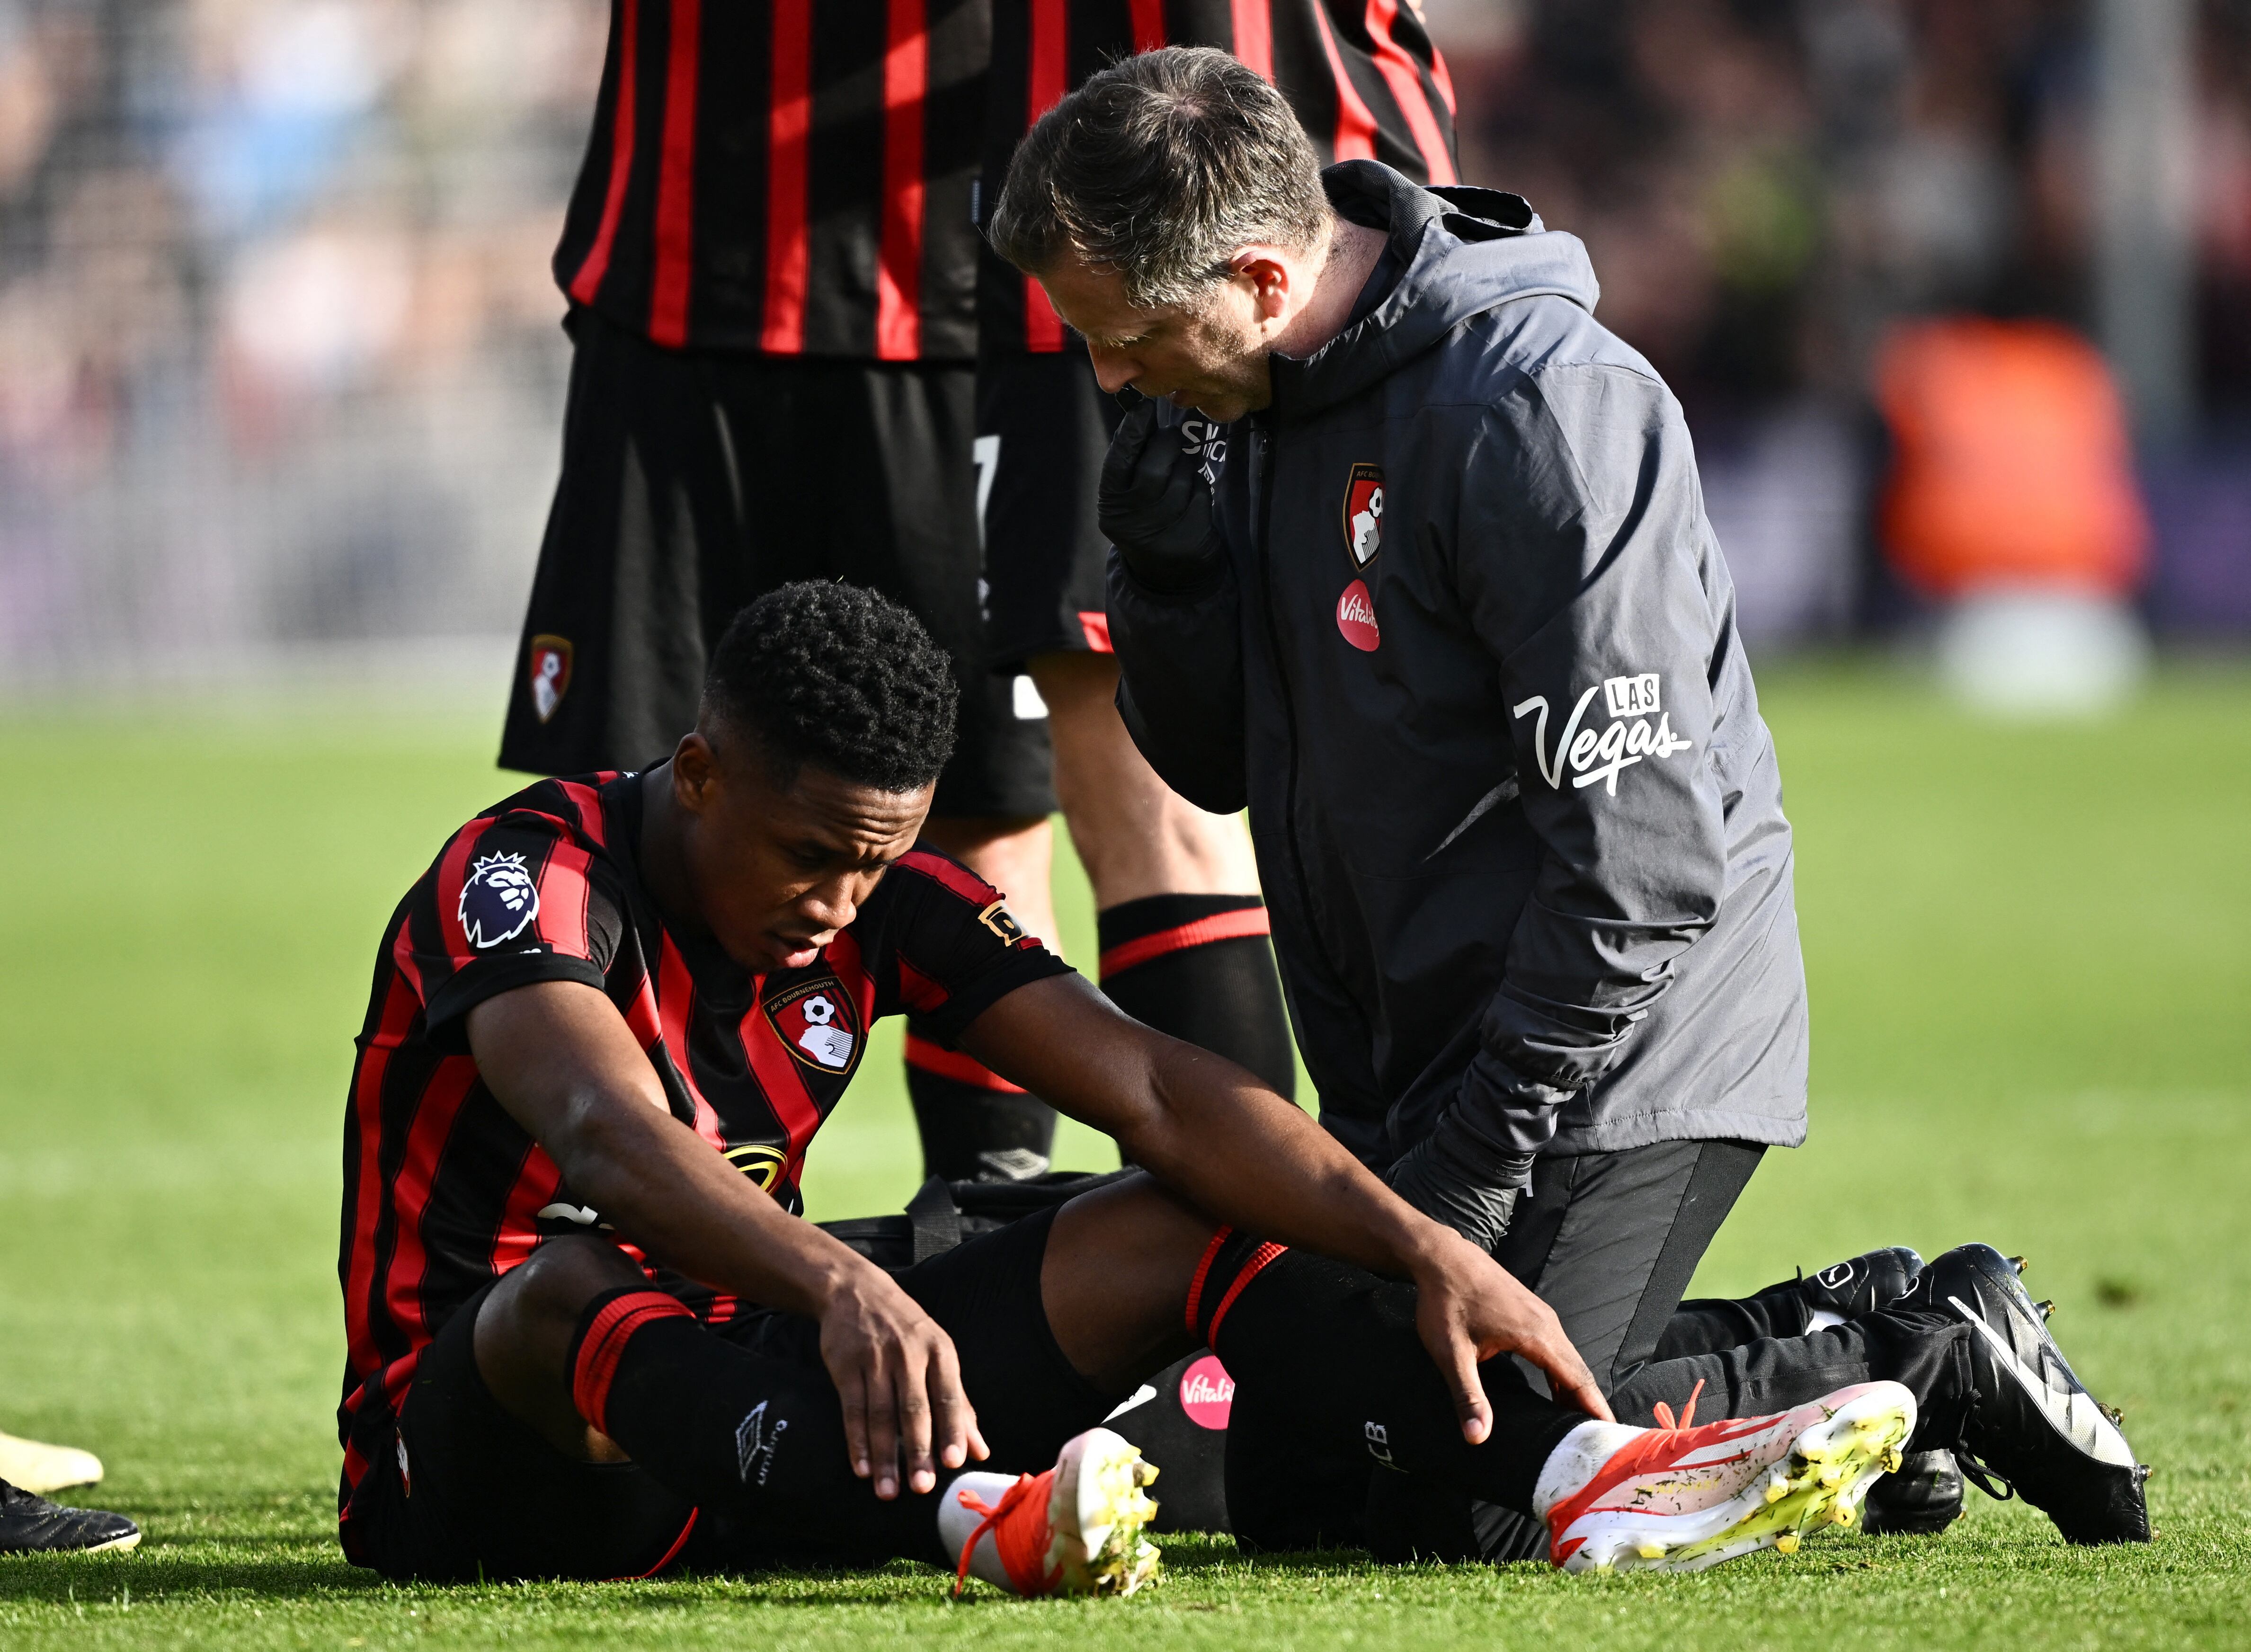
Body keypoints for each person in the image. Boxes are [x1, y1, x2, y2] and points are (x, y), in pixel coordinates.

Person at [338, 581, 2110, 1588]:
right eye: (811, 856)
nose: (840, 905)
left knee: (1174, 1225)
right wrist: (843, 1285)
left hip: (767, 1388)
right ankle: (972, 1520)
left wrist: (1421, 1248)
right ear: (699, 773)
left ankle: (1586, 1468)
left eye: (874, 863)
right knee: (567, 1285)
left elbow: (1164, 1090)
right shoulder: (531, 877)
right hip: (480, 1458)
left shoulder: (879, 905)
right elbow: (605, 1140)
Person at [985, 46, 2150, 1555]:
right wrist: (1163, 578)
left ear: (1263, 278)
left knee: (1472, 1492)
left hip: (1616, 1043)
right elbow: (1216, 765)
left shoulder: (1536, 409)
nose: (1110, 378)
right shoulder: (1250, 399)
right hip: (1414, 1052)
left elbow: (1645, 868)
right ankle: (1835, 1354)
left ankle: (1927, 1355)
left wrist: (1470, 1172)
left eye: (1130, 337)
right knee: (1296, 1491)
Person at [495, 0, 1066, 1187]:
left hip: (948, 302)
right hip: (677, 286)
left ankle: (990, 1214)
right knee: (622, 809)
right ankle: (615, 1223)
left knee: (983, 816)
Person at [954, 0, 1463, 1172]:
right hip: (1332, 190)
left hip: (1169, 207)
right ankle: (1315, 1213)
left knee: (1153, 798)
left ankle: (1255, 1231)